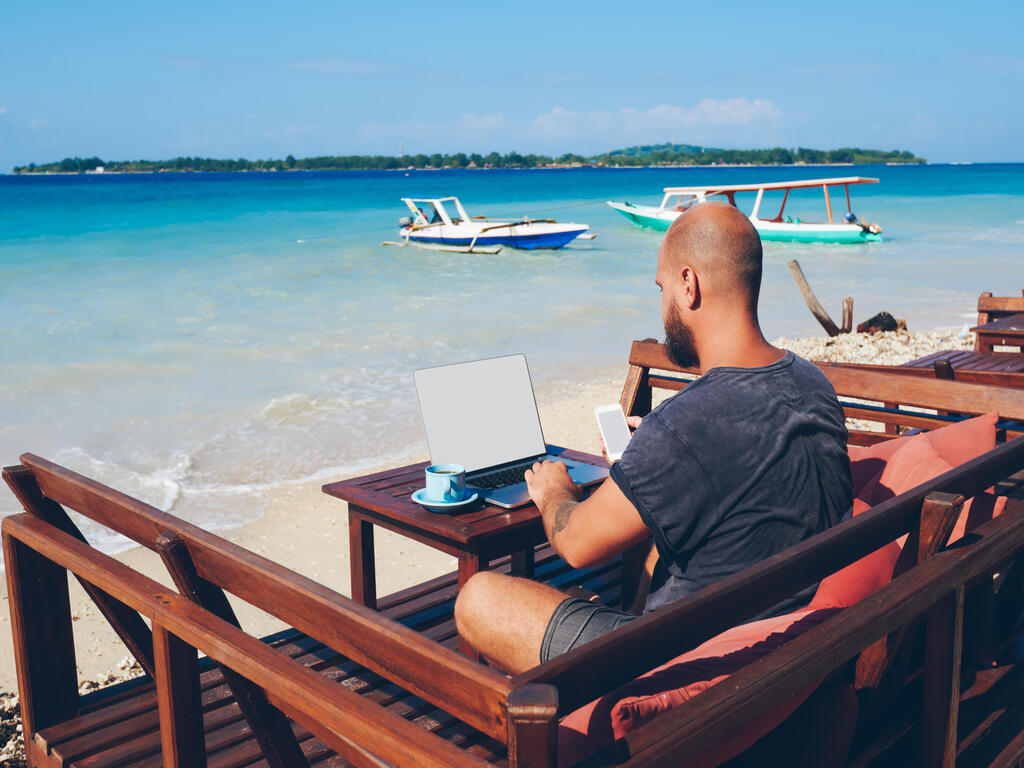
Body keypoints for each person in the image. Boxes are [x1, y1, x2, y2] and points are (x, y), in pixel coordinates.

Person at [453, 202, 853, 675]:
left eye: (662, 287)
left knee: (478, 598)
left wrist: (552, 491)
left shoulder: (687, 424)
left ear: (689, 284)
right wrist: (655, 457)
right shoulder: (811, 383)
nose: (663, 305)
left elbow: (577, 545)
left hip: (683, 665)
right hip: (786, 649)